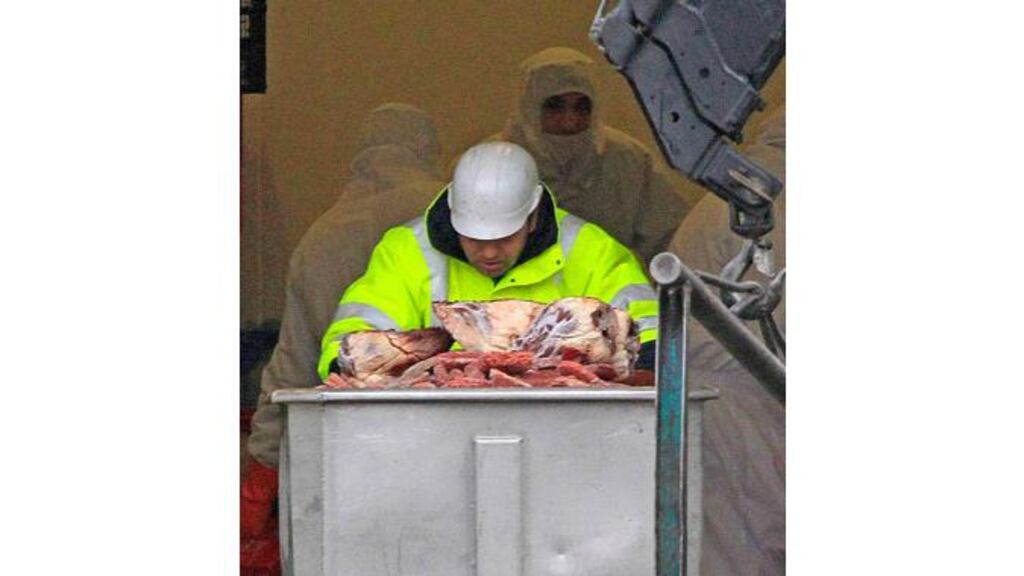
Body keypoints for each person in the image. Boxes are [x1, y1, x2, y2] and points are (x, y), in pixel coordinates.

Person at [241, 103, 447, 544]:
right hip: (447, 440)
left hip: (345, 449)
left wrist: (264, 465)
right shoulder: (452, 218)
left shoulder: (323, 236)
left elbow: (293, 364)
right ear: (427, 147)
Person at [318, 140, 659, 380]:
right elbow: (351, 335)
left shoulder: (590, 249)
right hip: (431, 433)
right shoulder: (406, 251)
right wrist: (350, 361)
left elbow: (650, 331)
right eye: (474, 239)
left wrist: (642, 353)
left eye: (505, 237)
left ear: (533, 218)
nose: (490, 252)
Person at [668, 106, 786, 575]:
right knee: (754, 538)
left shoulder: (740, 189)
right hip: (747, 397)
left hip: (724, 395)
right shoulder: (781, 199)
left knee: (730, 542)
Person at [487, 46, 699, 265]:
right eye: (554, 107)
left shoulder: (629, 161)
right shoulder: (489, 165)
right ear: (530, 107)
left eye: (582, 107)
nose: (570, 122)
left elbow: (669, 242)